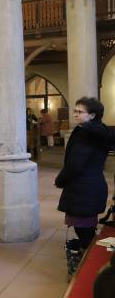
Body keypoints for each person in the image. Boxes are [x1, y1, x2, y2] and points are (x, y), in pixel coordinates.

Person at [56, 97, 114, 251]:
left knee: (84, 229)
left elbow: (75, 164)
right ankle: (88, 257)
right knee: (86, 226)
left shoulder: (87, 134)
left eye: (80, 112)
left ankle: (89, 263)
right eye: (75, 111)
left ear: (92, 115)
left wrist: (60, 180)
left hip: (84, 187)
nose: (75, 114)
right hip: (90, 185)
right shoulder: (93, 130)